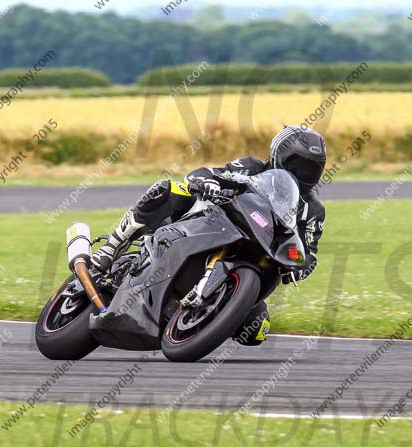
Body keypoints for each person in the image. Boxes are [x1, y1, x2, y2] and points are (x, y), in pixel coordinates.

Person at [92, 125, 327, 345]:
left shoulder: (314, 211)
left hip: (259, 256)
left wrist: (297, 267)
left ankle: (200, 320)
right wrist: (206, 182)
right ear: (279, 157)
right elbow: (210, 172)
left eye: (311, 169)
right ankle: (112, 247)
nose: (303, 174)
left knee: (256, 330)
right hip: (215, 224)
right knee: (169, 189)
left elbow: (310, 254)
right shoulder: (251, 167)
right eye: (298, 166)